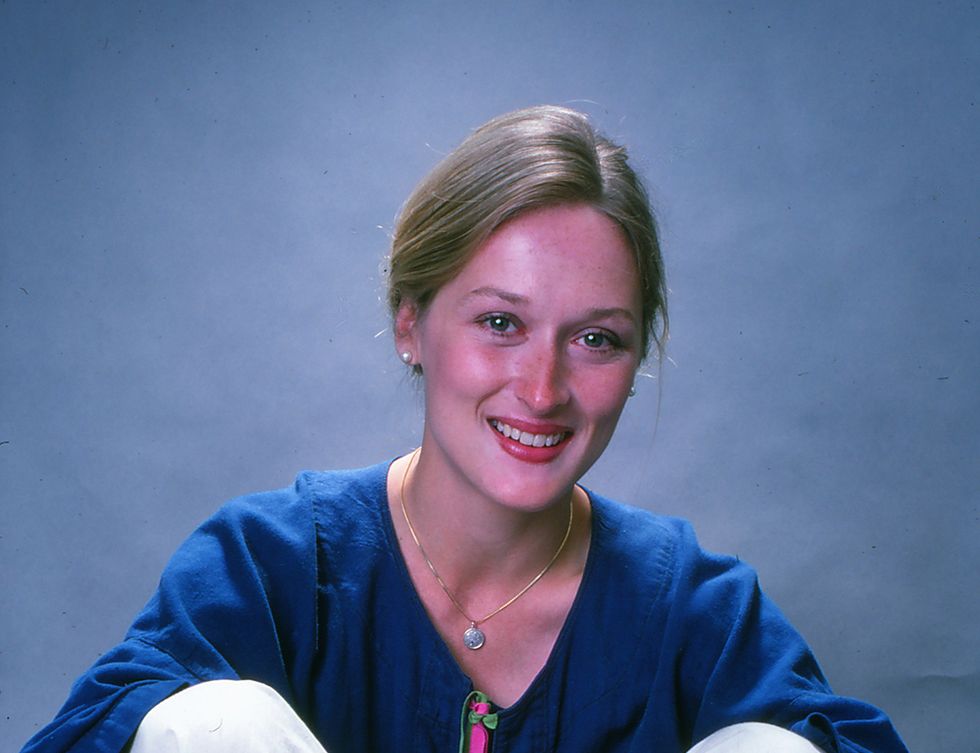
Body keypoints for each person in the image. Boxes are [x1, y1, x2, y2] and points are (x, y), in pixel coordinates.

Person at [20, 106, 908, 753]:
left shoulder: (691, 607)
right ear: (411, 322)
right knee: (206, 721)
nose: (543, 386)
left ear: (636, 360)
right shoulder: (277, 562)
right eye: (500, 322)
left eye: (596, 337)